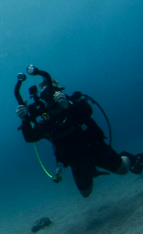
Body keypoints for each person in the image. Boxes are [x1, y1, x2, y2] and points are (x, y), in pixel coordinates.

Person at [16, 65, 143, 198]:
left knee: (123, 169)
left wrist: (69, 106)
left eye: (52, 93)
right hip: (75, 159)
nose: (50, 98)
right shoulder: (47, 122)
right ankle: (91, 171)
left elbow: (87, 110)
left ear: (59, 91)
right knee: (85, 193)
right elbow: (30, 137)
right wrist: (24, 120)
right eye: (45, 95)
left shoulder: (74, 104)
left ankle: (129, 157)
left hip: (94, 147)